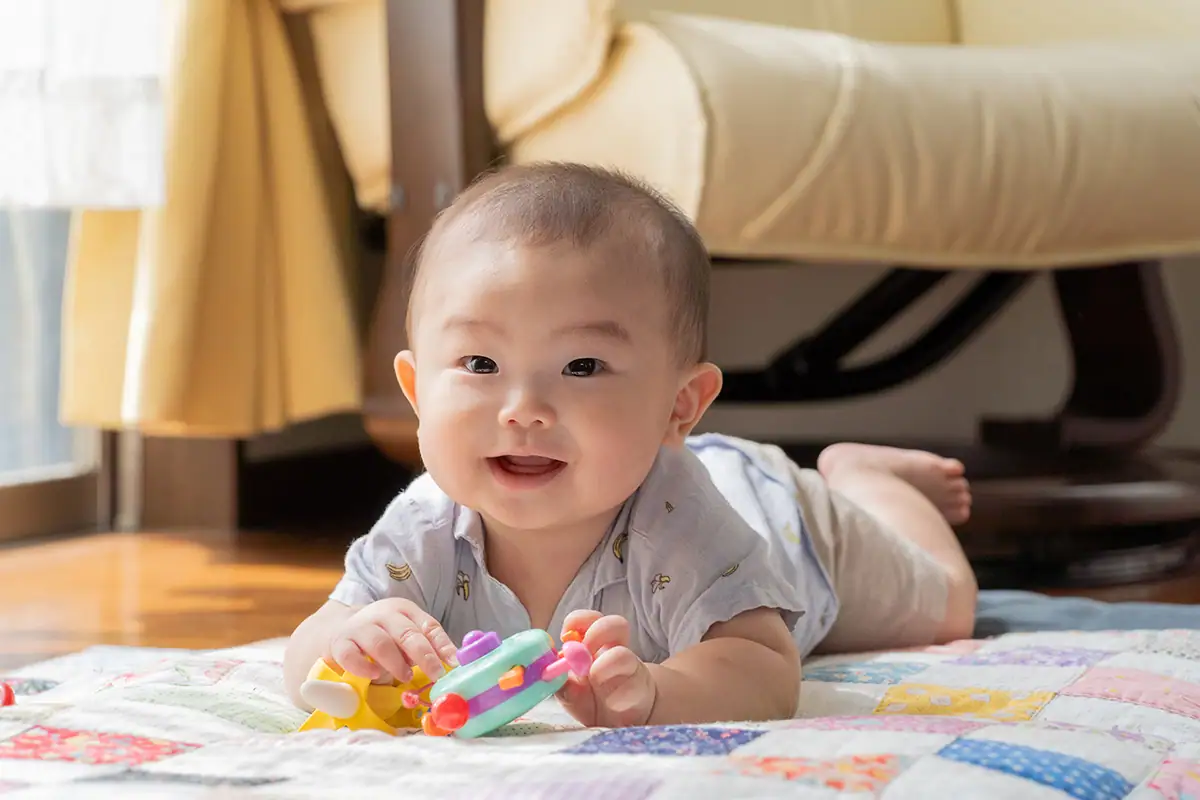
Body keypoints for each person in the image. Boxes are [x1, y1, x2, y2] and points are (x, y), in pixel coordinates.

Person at [284, 162, 978, 728]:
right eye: (480, 366)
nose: (523, 411)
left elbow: (766, 669)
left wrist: (657, 692)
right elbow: (306, 652)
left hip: (790, 522)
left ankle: (865, 478)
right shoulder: (425, 524)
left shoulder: (679, 527)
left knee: (949, 609)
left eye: (582, 368)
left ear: (680, 406)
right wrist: (350, 641)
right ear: (415, 389)